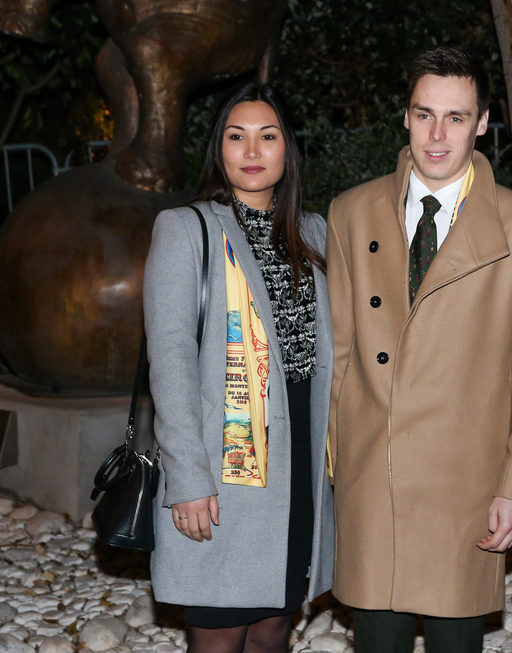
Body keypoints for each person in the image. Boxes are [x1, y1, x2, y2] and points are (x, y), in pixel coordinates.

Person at [325, 47, 512, 653]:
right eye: (424, 114)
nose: (437, 134)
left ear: (483, 123)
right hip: (375, 472)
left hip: (467, 482)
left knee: (457, 641)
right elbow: (342, 352)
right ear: (404, 117)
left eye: (456, 118)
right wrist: (337, 458)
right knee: (378, 637)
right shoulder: (351, 212)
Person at [143, 82, 334, 653]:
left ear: (287, 149)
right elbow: (170, 358)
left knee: (275, 626)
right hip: (225, 469)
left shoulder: (315, 232)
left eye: (267, 136)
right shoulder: (186, 229)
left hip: (299, 463)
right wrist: (188, 478)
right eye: (236, 137)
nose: (252, 152)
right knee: (220, 632)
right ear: (219, 149)